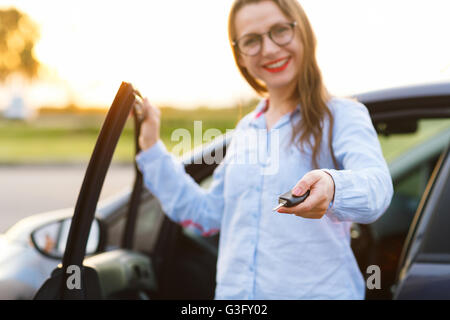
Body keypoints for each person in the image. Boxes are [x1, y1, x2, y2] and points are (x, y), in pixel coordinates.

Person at [135, 0, 393, 299]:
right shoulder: (247, 129)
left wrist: (333, 186)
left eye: (279, 31)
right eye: (252, 41)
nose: (269, 49)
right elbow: (207, 213)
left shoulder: (341, 114)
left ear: (303, 33)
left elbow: (377, 189)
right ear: (240, 56)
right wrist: (151, 147)